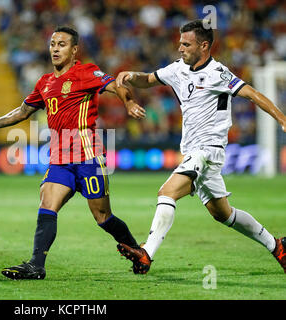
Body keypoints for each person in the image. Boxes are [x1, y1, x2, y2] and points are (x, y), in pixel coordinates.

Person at [115, 19, 286, 274]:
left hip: (208, 150)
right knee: (223, 214)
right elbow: (148, 79)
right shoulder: (178, 69)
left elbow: (252, 94)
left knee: (167, 192)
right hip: (193, 150)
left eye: (186, 44)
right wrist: (129, 76)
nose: (180, 48)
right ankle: (278, 247)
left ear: (204, 46)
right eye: (180, 43)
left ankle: (146, 254)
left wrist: (282, 119)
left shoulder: (218, 73)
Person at [0, 26, 148, 279]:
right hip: (60, 159)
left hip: (88, 157)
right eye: (52, 44)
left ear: (74, 50)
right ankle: (36, 265)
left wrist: (128, 102)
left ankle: (138, 251)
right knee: (47, 203)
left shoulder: (86, 72)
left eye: (61, 44)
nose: (55, 49)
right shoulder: (45, 82)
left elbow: (116, 85)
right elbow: (23, 110)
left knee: (103, 217)